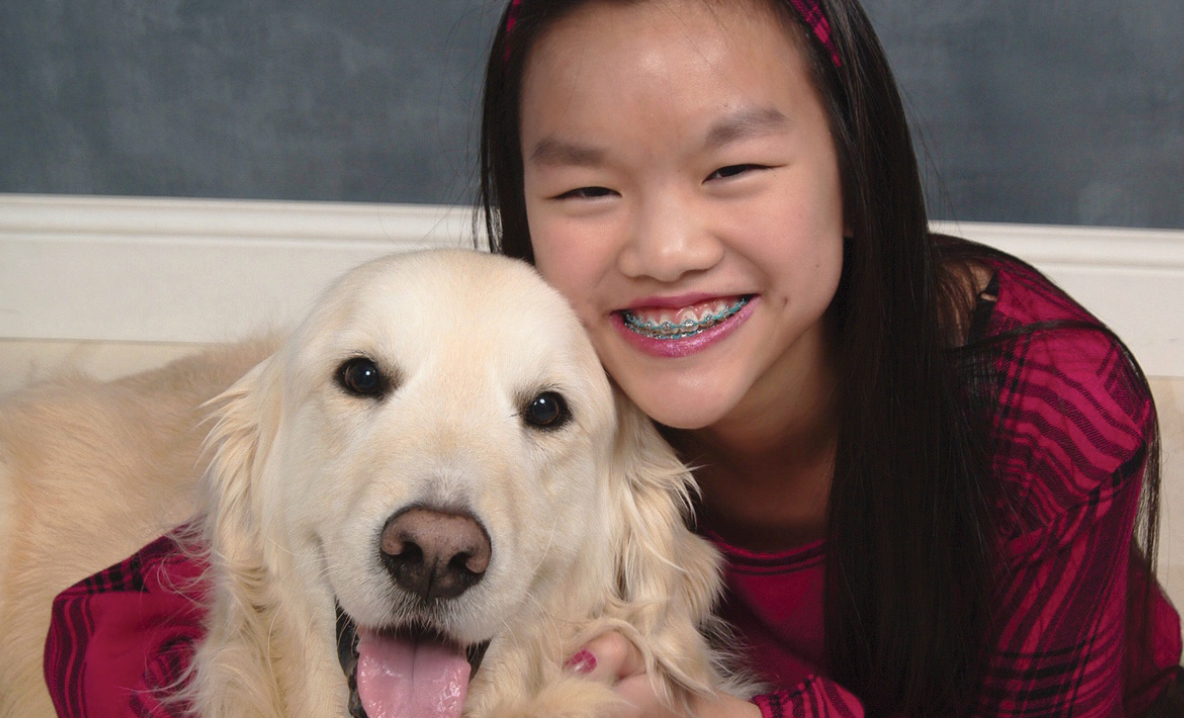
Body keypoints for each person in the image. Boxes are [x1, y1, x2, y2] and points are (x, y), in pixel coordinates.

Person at [477, 0, 1182, 716]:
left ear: (855, 175)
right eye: (587, 190)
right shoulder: (530, 409)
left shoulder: (1055, 406)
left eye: (732, 169)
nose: (665, 253)